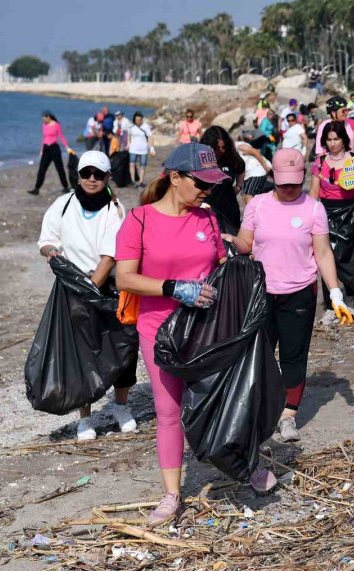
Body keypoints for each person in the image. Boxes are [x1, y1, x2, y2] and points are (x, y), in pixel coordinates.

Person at [116, 143, 276, 523]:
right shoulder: (138, 220)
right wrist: (173, 288)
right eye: (200, 182)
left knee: (228, 397)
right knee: (170, 412)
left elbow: (222, 266)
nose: (207, 190)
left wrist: (240, 270)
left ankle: (246, 466)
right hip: (160, 332)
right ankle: (172, 495)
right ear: (174, 177)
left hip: (208, 329)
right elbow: (125, 277)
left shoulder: (207, 219)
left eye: (211, 183)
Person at [223, 148, 353, 442]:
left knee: (294, 356)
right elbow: (246, 242)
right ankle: (260, 411)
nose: (289, 188)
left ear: (303, 177)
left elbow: (322, 252)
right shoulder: (257, 204)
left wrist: (335, 292)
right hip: (262, 294)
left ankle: (288, 416)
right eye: (283, 183)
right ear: (274, 178)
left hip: (299, 293)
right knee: (261, 355)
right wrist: (230, 241)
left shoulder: (313, 208)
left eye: (295, 182)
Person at [37, 150, 138, 440]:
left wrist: (91, 289)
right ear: (78, 175)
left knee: (122, 345)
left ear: (107, 177)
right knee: (80, 350)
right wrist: (51, 252)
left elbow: (109, 256)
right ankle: (85, 418)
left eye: (98, 174)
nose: (91, 179)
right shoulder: (63, 204)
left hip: (107, 285)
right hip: (72, 286)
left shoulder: (116, 209)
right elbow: (46, 240)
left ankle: (120, 406)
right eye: (86, 173)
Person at [309, 120, 354, 319]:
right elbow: (314, 190)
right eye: (329, 139)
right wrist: (310, 216)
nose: (333, 143)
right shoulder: (320, 162)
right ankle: (332, 304)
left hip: (349, 212)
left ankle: (351, 296)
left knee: (347, 256)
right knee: (325, 254)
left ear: (344, 139)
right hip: (325, 211)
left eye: (336, 139)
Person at [200, 126, 246, 231]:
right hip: (206, 212)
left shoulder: (231, 158)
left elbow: (241, 167)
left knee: (231, 244)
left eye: (223, 147)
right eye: (217, 148)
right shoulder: (200, 160)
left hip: (229, 212)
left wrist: (238, 187)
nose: (221, 151)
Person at [28, 111, 73, 196]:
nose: (43, 120)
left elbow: (61, 136)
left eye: (44, 118)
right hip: (46, 149)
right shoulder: (44, 126)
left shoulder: (56, 125)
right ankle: (36, 189)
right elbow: (44, 138)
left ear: (48, 117)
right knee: (41, 169)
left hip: (54, 149)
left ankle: (66, 187)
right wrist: (41, 150)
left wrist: (67, 147)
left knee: (60, 169)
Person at [236, 134, 272, 203]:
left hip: (257, 170)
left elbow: (255, 152)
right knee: (246, 197)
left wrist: (266, 167)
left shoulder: (238, 146)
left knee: (248, 196)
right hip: (251, 173)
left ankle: (253, 213)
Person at [128, 112, 154, 189]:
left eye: (140, 120)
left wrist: (151, 148)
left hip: (143, 149)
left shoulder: (146, 127)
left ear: (142, 119)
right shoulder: (131, 127)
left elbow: (150, 137)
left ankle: (140, 181)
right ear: (134, 120)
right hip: (133, 149)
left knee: (142, 165)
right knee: (132, 164)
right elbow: (129, 136)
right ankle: (133, 181)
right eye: (136, 120)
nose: (138, 121)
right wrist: (128, 144)